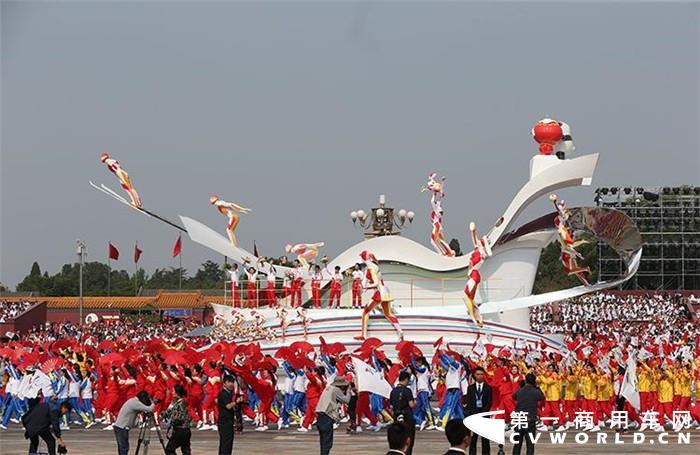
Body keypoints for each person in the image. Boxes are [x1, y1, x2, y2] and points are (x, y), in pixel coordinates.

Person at [315, 375, 352, 455]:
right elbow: (347, 400)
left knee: (323, 442)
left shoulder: (328, 388)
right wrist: (349, 391)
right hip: (327, 418)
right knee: (327, 443)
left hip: (320, 417)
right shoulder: (336, 390)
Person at [113, 390, 155, 455]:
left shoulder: (132, 401)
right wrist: (154, 402)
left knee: (123, 447)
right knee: (124, 447)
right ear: (143, 398)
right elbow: (149, 409)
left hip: (120, 427)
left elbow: (134, 419)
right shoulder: (135, 403)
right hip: (121, 427)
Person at [511, 373, 544, 455]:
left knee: (517, 443)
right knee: (530, 444)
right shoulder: (535, 391)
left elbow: (514, 396)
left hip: (520, 418)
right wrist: (537, 387)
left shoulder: (520, 390)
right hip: (530, 419)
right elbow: (542, 397)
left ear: (525, 381)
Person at [464, 367, 492, 455]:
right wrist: (473, 413)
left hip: (484, 416)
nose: (480, 376)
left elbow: (489, 402)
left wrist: (483, 413)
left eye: (482, 374)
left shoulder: (488, 388)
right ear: (474, 376)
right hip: (474, 416)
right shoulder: (470, 388)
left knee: (485, 439)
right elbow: (469, 402)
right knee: (473, 439)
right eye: (478, 374)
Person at [389, 371, 416, 455]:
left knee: (398, 439)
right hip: (407, 417)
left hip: (396, 417)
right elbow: (411, 404)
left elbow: (391, 407)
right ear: (406, 379)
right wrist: (415, 403)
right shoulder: (407, 391)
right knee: (408, 439)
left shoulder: (393, 391)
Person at [163, 384, 192, 455]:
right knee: (186, 450)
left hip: (180, 430)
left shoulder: (181, 404)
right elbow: (168, 412)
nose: (172, 392)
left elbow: (179, 417)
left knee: (169, 450)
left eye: (173, 391)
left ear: (177, 393)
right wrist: (165, 414)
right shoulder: (175, 403)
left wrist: (171, 420)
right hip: (185, 431)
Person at [217, 375, 242, 455]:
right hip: (224, 422)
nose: (231, 384)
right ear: (224, 383)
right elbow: (228, 406)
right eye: (229, 382)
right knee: (226, 443)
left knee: (226, 443)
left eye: (232, 382)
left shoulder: (229, 393)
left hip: (228, 421)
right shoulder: (224, 394)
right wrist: (236, 402)